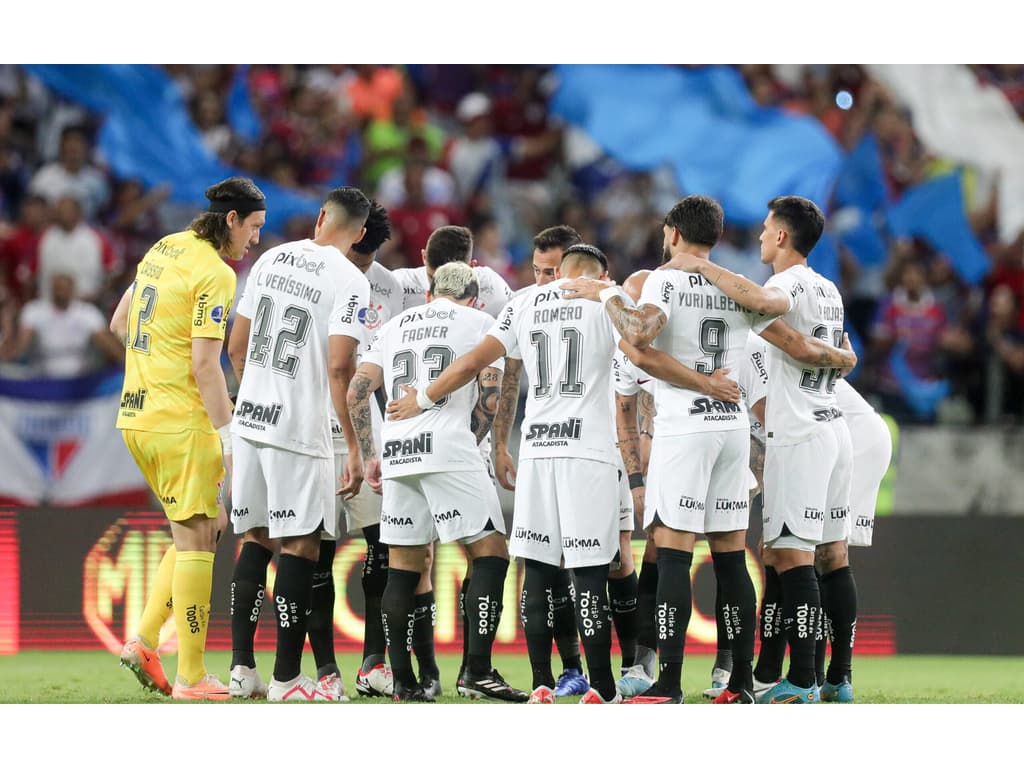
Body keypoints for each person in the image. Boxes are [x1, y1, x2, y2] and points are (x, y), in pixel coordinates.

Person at [389, 244, 628, 705]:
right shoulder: (606, 302)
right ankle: (602, 685)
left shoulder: (521, 304)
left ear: (559, 269)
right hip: (588, 450)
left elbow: (474, 363)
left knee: (535, 569)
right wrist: (613, 295)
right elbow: (643, 342)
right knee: (589, 571)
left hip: (537, 449)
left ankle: (541, 682)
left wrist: (422, 398)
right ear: (599, 273)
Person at [562, 196, 762, 704]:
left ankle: (667, 682)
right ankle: (739, 682)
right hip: (732, 428)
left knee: (672, 553)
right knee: (731, 558)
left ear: (672, 233)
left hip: (687, 428)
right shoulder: (734, 284)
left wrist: (607, 293)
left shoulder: (664, 279)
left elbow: (638, 334)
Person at [662, 195, 857, 704]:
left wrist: (700, 269)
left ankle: (805, 679)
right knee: (828, 553)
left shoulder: (782, 285)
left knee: (793, 557)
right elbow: (839, 353)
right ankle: (838, 678)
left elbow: (790, 340)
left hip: (798, 433)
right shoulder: (828, 288)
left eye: (768, 227)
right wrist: (841, 357)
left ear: (781, 237)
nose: (761, 234)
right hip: (832, 424)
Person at [116, 176, 266, 700]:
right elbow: (206, 364)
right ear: (231, 220)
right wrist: (228, 436)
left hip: (136, 415)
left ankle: (144, 640)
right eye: (252, 228)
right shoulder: (217, 274)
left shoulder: (164, 248)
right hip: (181, 421)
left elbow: (119, 322)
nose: (254, 240)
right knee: (201, 535)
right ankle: (191, 677)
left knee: (207, 526)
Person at [349, 261, 527, 702]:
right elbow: (488, 393)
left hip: (397, 451)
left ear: (429, 294)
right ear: (471, 297)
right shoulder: (481, 321)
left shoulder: (394, 325)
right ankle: (478, 670)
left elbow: (357, 389)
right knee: (489, 554)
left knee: (403, 568)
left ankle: (404, 682)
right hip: (449, 445)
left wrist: (371, 453)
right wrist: (474, 441)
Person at [226, 186, 370, 702]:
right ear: (357, 235)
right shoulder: (351, 280)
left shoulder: (269, 258)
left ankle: (242, 669)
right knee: (302, 542)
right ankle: (287, 678)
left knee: (256, 538)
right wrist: (353, 446)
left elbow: (236, 346)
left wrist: (254, 395)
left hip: (250, 421)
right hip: (298, 429)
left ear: (321, 217)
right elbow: (339, 367)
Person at [491, 224, 593, 697]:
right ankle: (543, 680)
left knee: (587, 567)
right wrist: (499, 444)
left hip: (590, 449)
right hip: (539, 448)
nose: (544, 280)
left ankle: (588, 668)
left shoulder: (595, 304)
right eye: (537, 270)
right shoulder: (525, 304)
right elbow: (508, 377)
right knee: (539, 565)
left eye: (553, 271)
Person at [2, 272, 123, 376]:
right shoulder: (34, 311)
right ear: (51, 289)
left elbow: (108, 343)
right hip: (43, 377)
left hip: (80, 378)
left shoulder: (88, 314)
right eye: (58, 289)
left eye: (65, 289)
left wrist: (128, 362)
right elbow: (20, 346)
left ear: (73, 290)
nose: (61, 293)